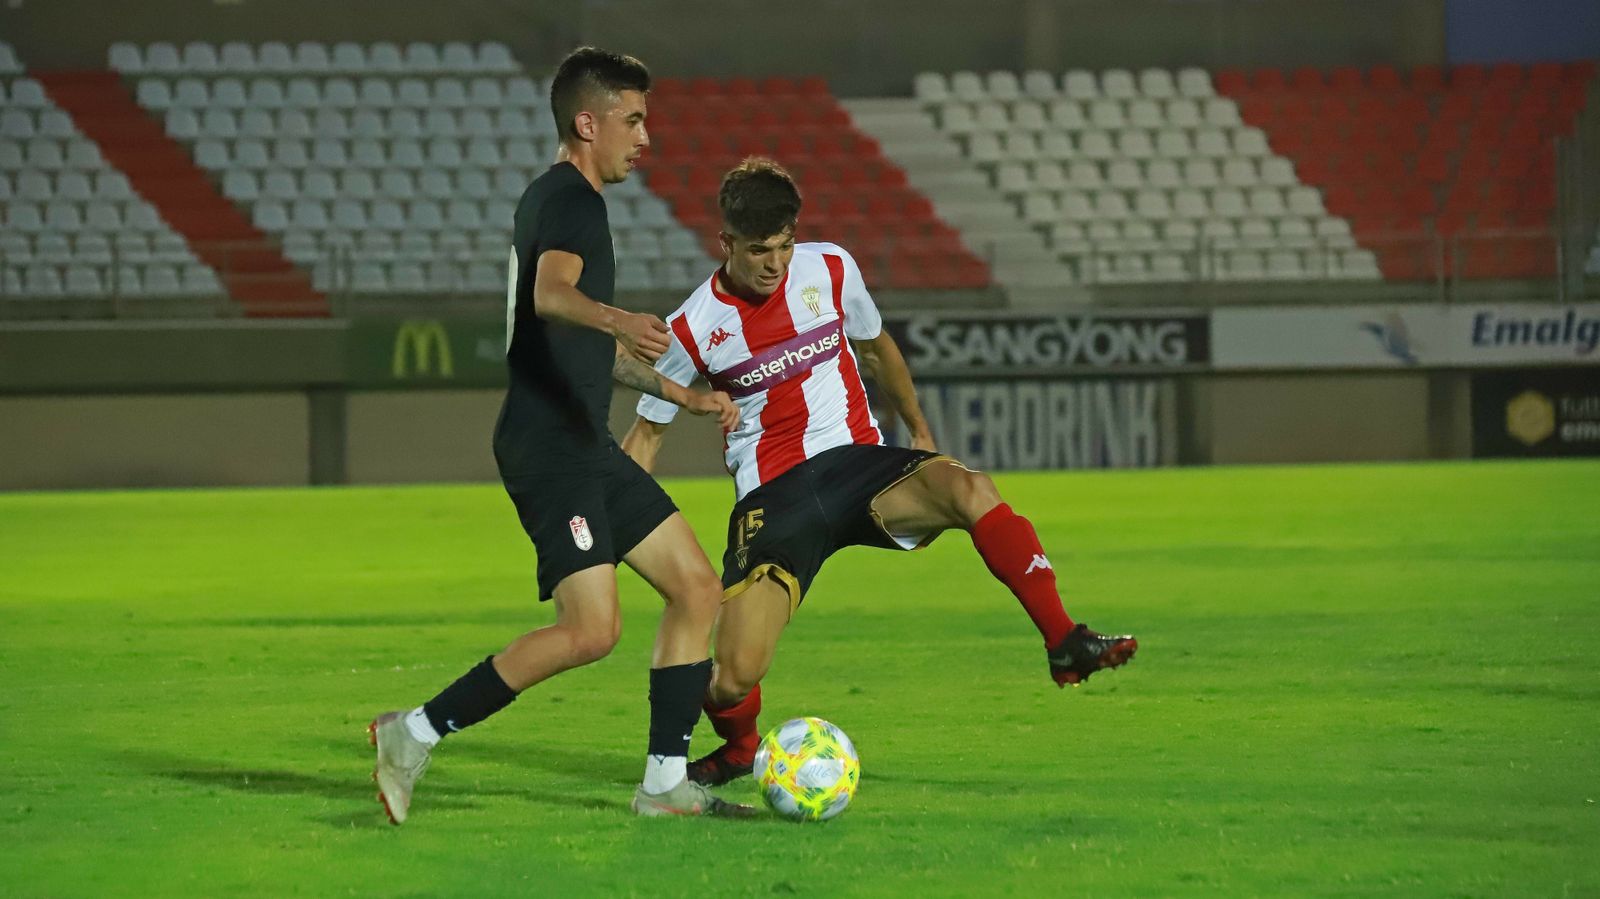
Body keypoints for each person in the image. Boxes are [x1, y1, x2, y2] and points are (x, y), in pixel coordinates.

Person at [621, 158, 1138, 787]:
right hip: (775, 499)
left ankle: (1064, 640)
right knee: (732, 676)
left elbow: (875, 344)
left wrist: (917, 428)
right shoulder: (693, 326)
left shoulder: (831, 267)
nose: (776, 264)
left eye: (785, 246)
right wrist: (620, 531)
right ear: (725, 242)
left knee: (971, 488)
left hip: (860, 466)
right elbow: (646, 436)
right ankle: (738, 750)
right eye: (759, 250)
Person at [369, 47, 750, 823]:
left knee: (695, 585)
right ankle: (411, 732)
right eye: (633, 120)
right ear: (588, 120)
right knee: (591, 630)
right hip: (550, 445)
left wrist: (678, 391)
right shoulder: (573, 202)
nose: (645, 138)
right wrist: (624, 317)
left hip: (581, 439)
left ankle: (665, 782)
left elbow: (582, 344)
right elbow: (552, 297)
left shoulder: (554, 198)